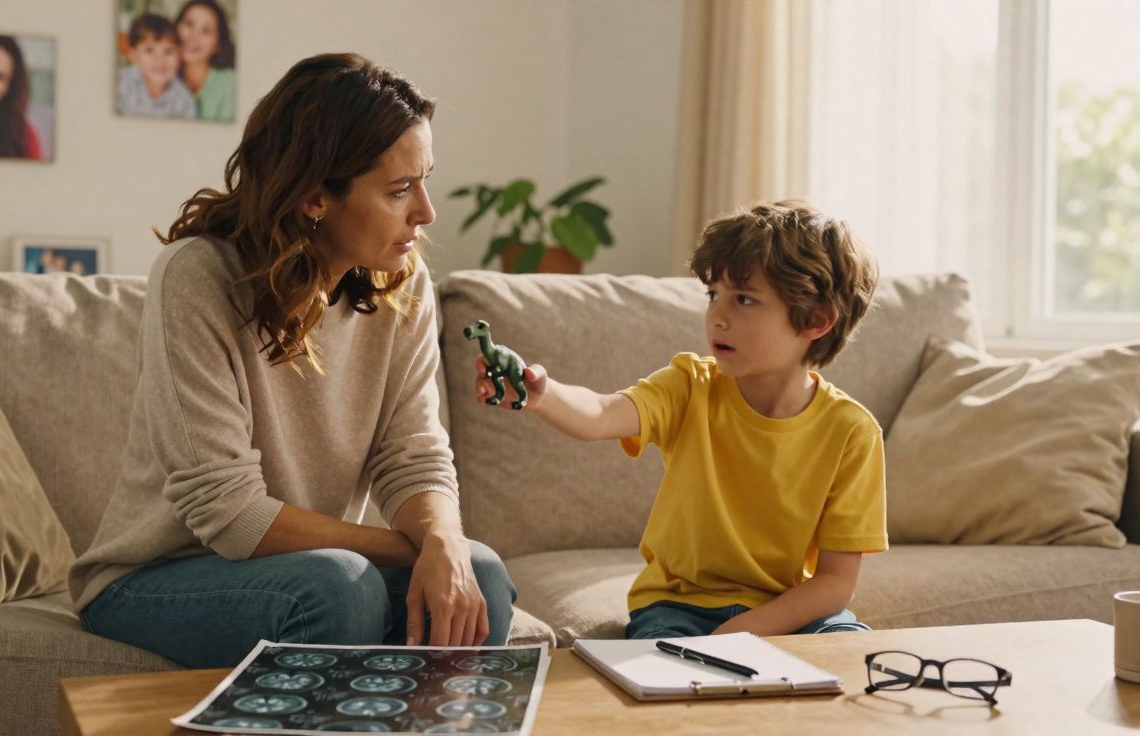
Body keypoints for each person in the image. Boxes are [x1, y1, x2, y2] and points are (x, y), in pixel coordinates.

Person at [70, 52, 515, 669]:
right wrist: (413, 549)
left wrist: (443, 540)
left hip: (313, 570)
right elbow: (231, 514)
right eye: (399, 189)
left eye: (425, 179)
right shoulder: (197, 277)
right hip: (159, 577)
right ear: (314, 197)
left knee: (482, 576)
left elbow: (412, 454)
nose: (426, 212)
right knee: (337, 586)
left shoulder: (403, 281)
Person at [478, 200, 886, 638]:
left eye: (744, 299)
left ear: (817, 321)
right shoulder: (689, 385)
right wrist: (543, 393)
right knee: (666, 665)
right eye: (714, 295)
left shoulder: (852, 433)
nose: (718, 317)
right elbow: (599, 414)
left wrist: (746, 631)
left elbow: (834, 584)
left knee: (851, 653)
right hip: (678, 607)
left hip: (783, 611)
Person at [117, 13, 196, 118]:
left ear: (179, 55)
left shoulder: (184, 100)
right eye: (149, 51)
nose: (159, 60)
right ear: (134, 56)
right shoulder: (121, 84)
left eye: (168, 51)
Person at [174, 0, 236, 121]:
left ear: (217, 45)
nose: (193, 36)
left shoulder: (230, 85)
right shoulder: (159, 78)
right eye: (189, 24)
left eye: (206, 31)